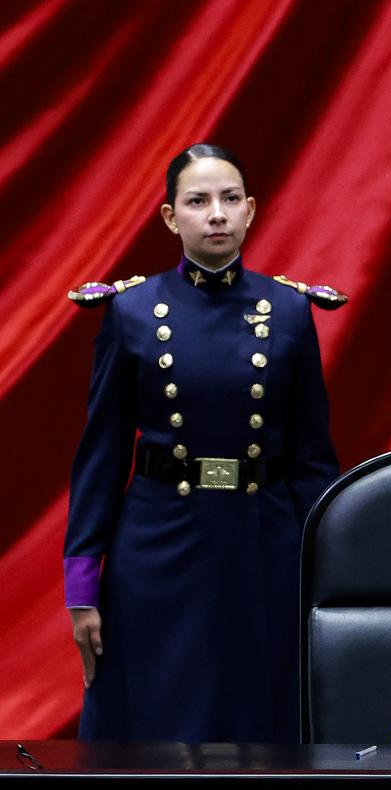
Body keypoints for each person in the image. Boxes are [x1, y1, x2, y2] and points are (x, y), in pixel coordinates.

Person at [64, 143, 344, 742]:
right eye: (197, 201)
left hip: (263, 543)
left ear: (250, 210)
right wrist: (82, 585)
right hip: (159, 542)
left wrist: (330, 571)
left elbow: (313, 462)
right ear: (171, 217)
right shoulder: (132, 311)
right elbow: (101, 457)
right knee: (158, 717)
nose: (216, 213)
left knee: (260, 724)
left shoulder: (290, 310)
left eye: (229, 199)